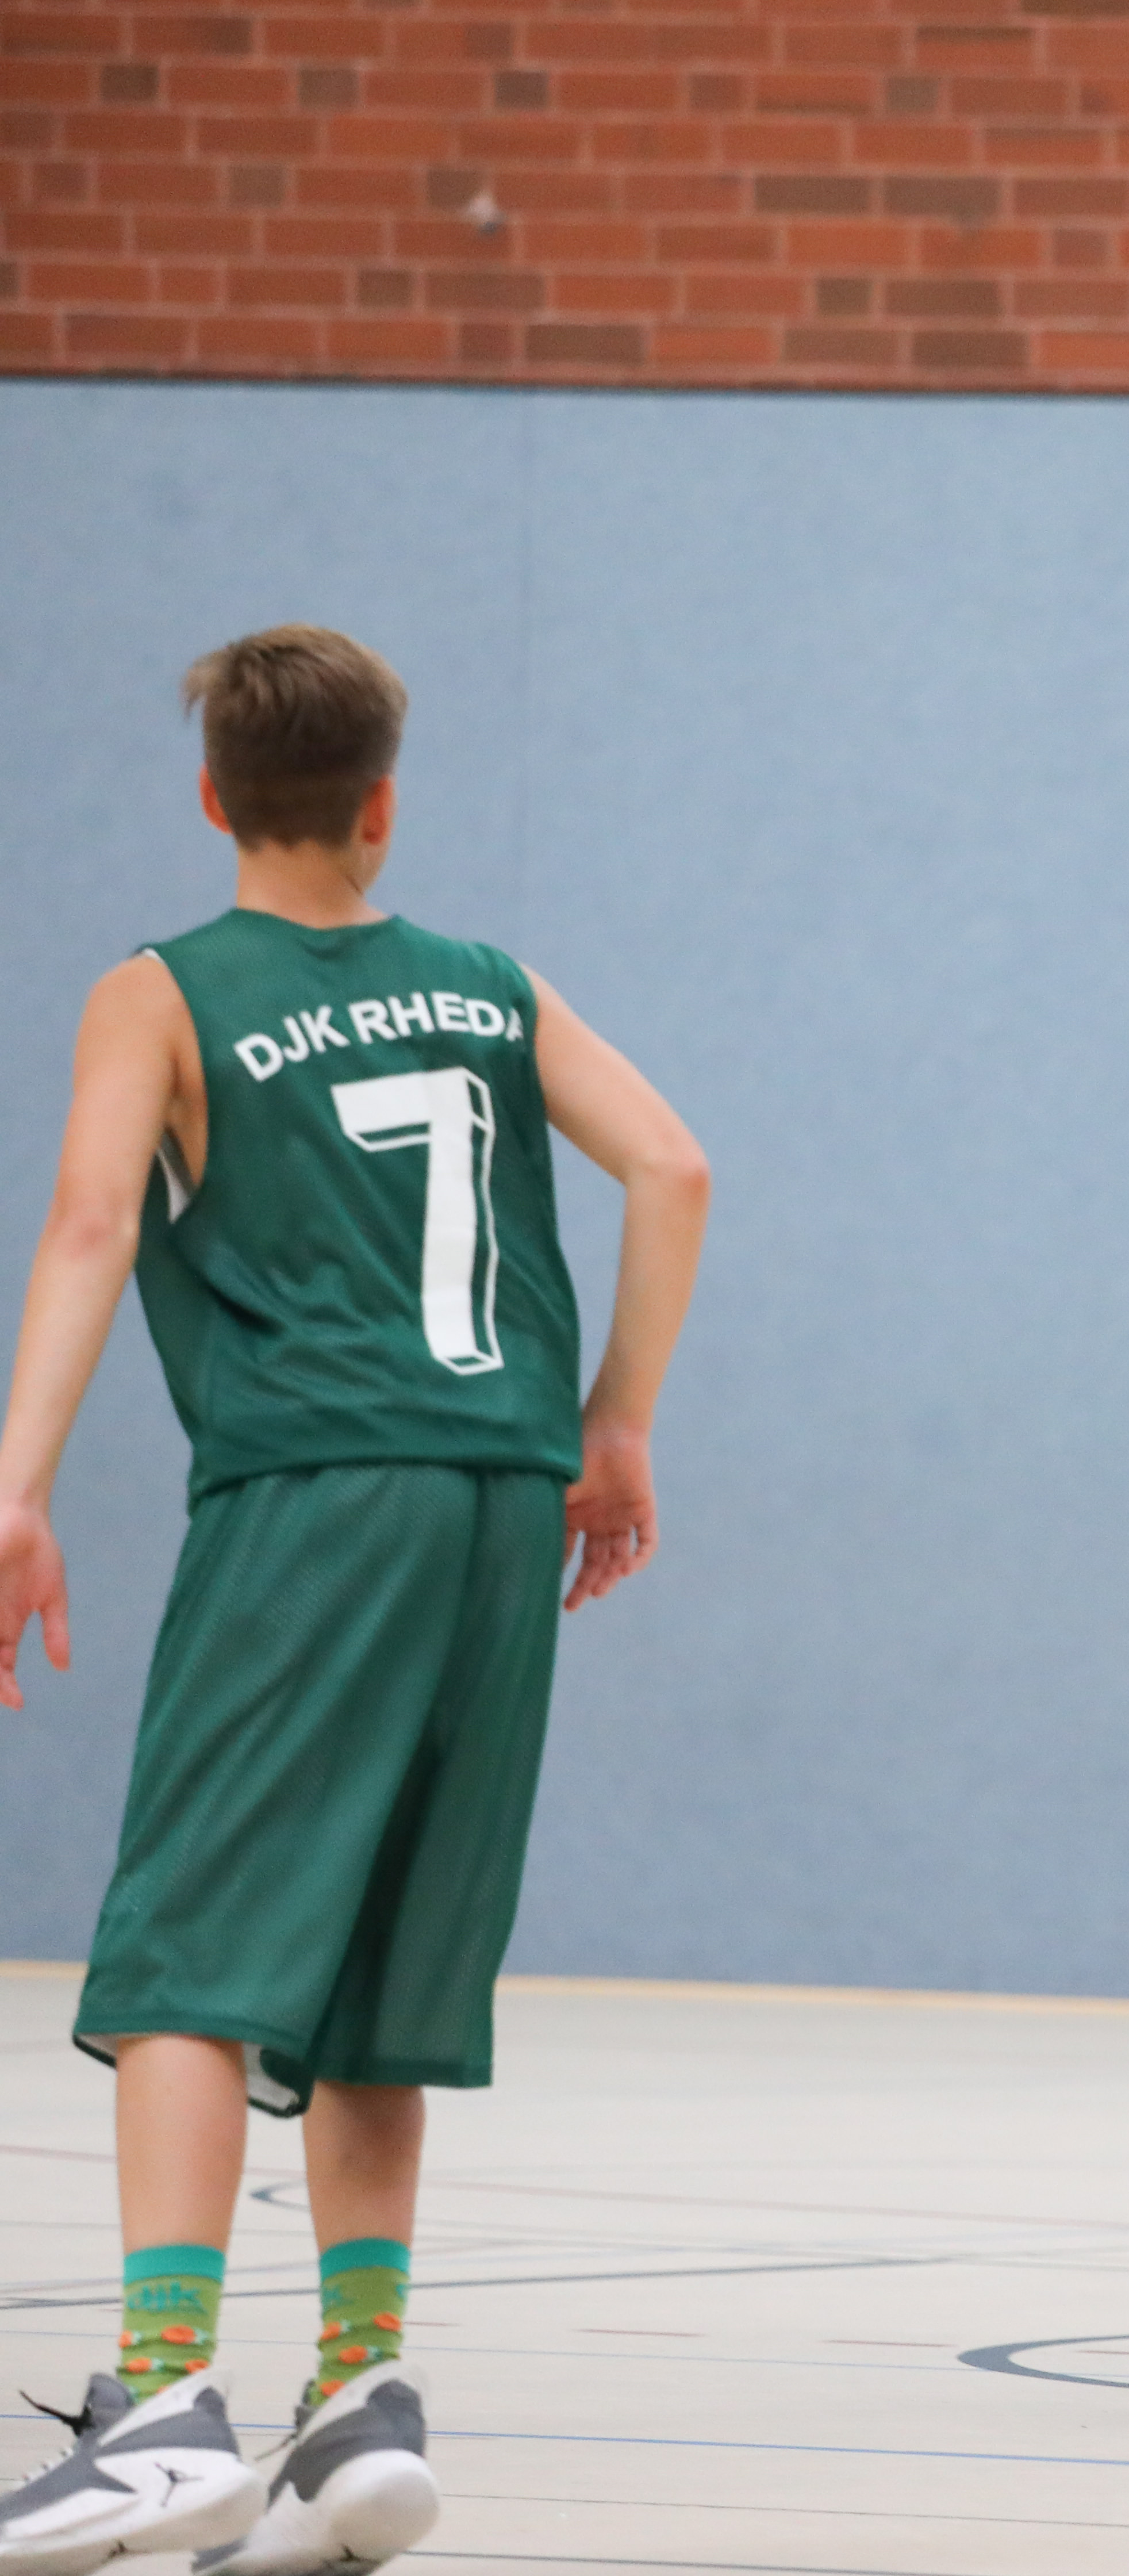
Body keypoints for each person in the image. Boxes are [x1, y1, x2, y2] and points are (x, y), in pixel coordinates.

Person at [0, 627, 711, 2576]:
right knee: (387, 1961)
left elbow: (88, 1220)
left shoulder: (161, 992)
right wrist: (617, 1425)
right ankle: (359, 2399)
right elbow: (671, 1166)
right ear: (382, 806)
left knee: (184, 1948)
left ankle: (163, 2400)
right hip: (497, 1500)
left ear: (211, 797)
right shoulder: (490, 987)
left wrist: (18, 1483)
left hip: (316, 1490)